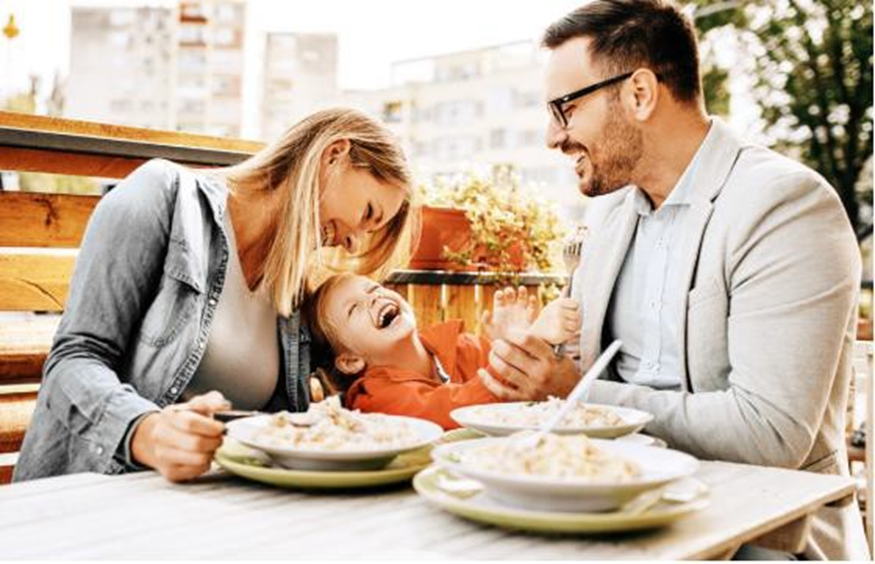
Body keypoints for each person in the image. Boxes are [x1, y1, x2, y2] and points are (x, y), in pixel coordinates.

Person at [478, 1, 868, 559]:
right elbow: (572, 370)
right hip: (610, 520)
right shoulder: (608, 217)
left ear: (639, 93)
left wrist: (574, 391)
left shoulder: (786, 206)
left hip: (759, 539)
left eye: (565, 109)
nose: (552, 136)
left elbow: (770, 434)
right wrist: (531, 357)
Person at [14, 108, 417, 483]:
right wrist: (145, 431)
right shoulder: (163, 198)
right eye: (368, 215)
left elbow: (370, 370)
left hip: (216, 510)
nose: (351, 243)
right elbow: (73, 360)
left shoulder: (291, 291)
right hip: (100, 498)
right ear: (334, 155)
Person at [304, 273, 580, 428]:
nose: (374, 297)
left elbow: (533, 390)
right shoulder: (375, 398)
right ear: (351, 360)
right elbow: (457, 409)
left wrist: (513, 345)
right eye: (354, 309)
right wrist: (528, 342)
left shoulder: (463, 346)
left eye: (374, 288)